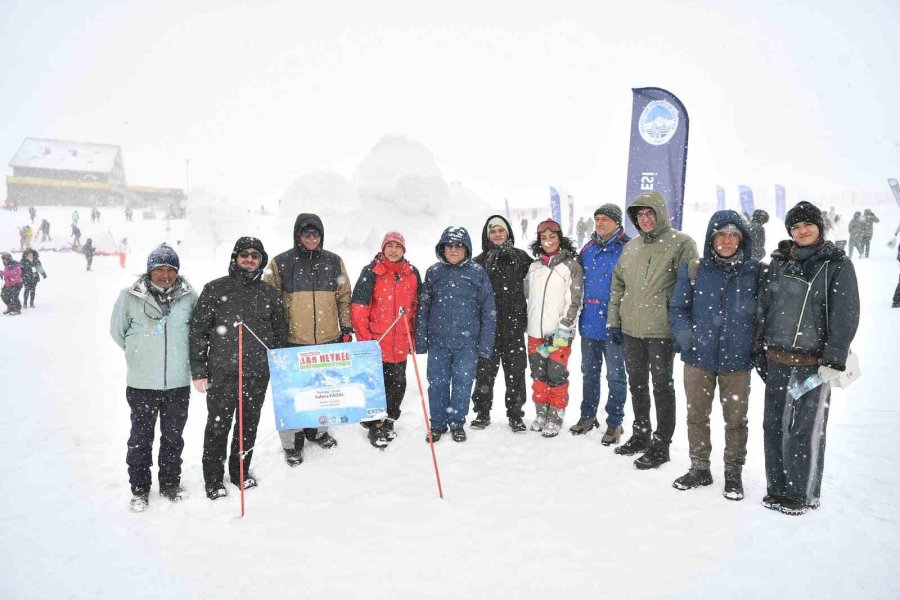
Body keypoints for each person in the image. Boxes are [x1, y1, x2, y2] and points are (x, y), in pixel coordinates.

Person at [755, 202, 859, 516]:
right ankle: (777, 488)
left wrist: (835, 356)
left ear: (819, 227)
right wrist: (758, 346)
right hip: (776, 359)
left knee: (805, 428)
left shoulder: (836, 264)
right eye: (795, 226)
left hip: (813, 365)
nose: (802, 231)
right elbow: (764, 306)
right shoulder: (779, 262)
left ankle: (801, 493)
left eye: (807, 225)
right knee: (772, 425)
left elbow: (845, 313)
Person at [669, 211, 761, 501]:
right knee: (696, 415)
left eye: (733, 235)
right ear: (711, 238)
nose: (726, 240)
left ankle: (733, 473)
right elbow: (678, 309)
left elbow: (765, 313)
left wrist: (752, 345)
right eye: (721, 234)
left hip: (737, 360)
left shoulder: (756, 271)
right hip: (698, 359)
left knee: (736, 420)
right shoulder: (694, 269)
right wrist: (688, 340)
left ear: (742, 239)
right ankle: (699, 468)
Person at [190, 237, 287, 499]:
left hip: (257, 374)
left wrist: (277, 367)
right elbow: (199, 332)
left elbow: (280, 334)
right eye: (244, 254)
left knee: (248, 425)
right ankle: (213, 478)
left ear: (261, 260)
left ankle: (240, 472)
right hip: (222, 371)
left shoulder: (270, 294)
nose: (249, 259)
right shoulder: (214, 289)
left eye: (255, 255)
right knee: (218, 426)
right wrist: (198, 371)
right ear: (235, 257)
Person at [608, 191, 699, 469]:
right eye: (640, 215)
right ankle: (641, 434)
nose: (645, 219)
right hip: (631, 330)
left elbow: (692, 287)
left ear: (660, 214)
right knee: (637, 385)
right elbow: (618, 285)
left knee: (662, 387)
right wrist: (614, 320)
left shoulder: (681, 243)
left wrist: (683, 329)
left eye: (650, 214)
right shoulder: (632, 247)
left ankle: (661, 444)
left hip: (662, 331)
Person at [109, 243, 198, 512]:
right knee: (140, 438)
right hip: (142, 384)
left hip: (178, 384)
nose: (165, 274)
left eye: (171, 268)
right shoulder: (129, 297)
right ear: (149, 271)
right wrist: (140, 353)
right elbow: (117, 332)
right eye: (159, 268)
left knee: (173, 438)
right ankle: (139, 488)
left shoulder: (189, 297)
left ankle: (170, 483)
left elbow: (196, 333)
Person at [264, 213, 351, 465]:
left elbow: (344, 296)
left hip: (327, 339)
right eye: (306, 233)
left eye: (316, 233)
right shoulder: (281, 263)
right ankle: (292, 442)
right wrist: (276, 334)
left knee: (322, 389)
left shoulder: (334, 261)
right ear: (297, 235)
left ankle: (319, 430)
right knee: (293, 394)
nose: (311, 238)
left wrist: (345, 327)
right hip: (293, 341)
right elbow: (269, 301)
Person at [416, 226, 496, 443]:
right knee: (438, 383)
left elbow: (488, 311)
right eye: (449, 246)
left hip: (467, 343)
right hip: (438, 342)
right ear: (442, 249)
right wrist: (421, 340)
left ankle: (457, 423)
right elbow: (423, 307)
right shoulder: (434, 273)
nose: (453, 250)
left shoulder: (477, 273)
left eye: (458, 246)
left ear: (466, 249)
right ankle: (438, 423)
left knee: (462, 383)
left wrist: (485, 344)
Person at [350, 231, 421, 447]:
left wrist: (415, 337)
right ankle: (374, 425)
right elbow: (359, 309)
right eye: (389, 246)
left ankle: (389, 420)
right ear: (383, 248)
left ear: (403, 250)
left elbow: (417, 308)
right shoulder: (371, 271)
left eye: (397, 246)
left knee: (397, 383)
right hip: (376, 342)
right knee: (374, 384)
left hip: (400, 342)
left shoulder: (412, 273)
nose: (393, 250)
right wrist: (366, 341)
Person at [467, 215, 532, 433]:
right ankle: (482, 412)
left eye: (500, 231)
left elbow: (536, 284)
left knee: (516, 373)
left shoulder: (522, 258)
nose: (497, 234)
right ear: (487, 235)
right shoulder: (478, 262)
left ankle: (515, 414)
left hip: (514, 329)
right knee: (484, 374)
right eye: (492, 231)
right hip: (488, 330)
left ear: (508, 233)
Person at [571, 204, 629, 445]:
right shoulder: (587, 249)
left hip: (615, 323)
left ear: (617, 222)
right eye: (597, 219)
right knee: (589, 374)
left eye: (605, 219)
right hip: (590, 322)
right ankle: (587, 415)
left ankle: (614, 422)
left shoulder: (627, 248)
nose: (600, 223)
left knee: (615, 376)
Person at [524, 219, 584, 438]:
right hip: (534, 333)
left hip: (558, 333)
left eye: (552, 237)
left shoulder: (570, 266)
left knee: (556, 375)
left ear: (560, 238)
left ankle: (555, 415)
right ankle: (541, 413)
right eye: (544, 238)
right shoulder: (534, 267)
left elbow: (574, 301)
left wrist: (563, 329)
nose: (548, 241)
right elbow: (528, 295)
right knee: (538, 375)